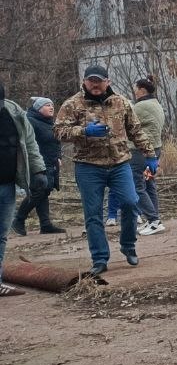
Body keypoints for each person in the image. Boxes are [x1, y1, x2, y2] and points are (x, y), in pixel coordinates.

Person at [54, 65, 156, 277]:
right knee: (93, 215)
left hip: (119, 163)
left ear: (107, 81)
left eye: (99, 80)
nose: (95, 84)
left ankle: (128, 245)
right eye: (91, 80)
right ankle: (100, 258)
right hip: (88, 166)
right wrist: (83, 131)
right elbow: (58, 131)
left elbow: (135, 131)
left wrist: (151, 155)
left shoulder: (121, 102)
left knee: (130, 202)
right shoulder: (73, 104)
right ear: (84, 82)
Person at [0, 78, 49, 296]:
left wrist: (38, 171)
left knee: (1, 234)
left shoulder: (13, 112)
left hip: (7, 184)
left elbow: (29, 142)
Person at [108, 77, 167, 235]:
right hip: (154, 151)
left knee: (137, 186)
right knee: (149, 184)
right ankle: (153, 219)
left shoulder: (141, 106)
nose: (134, 91)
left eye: (135, 88)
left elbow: (123, 118)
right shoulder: (155, 104)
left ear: (142, 90)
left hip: (141, 152)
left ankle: (154, 220)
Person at [12, 97, 64, 236]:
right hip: (36, 162)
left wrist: (58, 156)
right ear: (38, 108)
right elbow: (25, 142)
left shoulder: (50, 123)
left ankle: (45, 224)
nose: (51, 107)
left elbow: (57, 141)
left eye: (52, 105)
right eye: (47, 105)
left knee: (45, 191)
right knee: (38, 191)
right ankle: (18, 220)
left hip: (50, 161)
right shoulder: (31, 121)